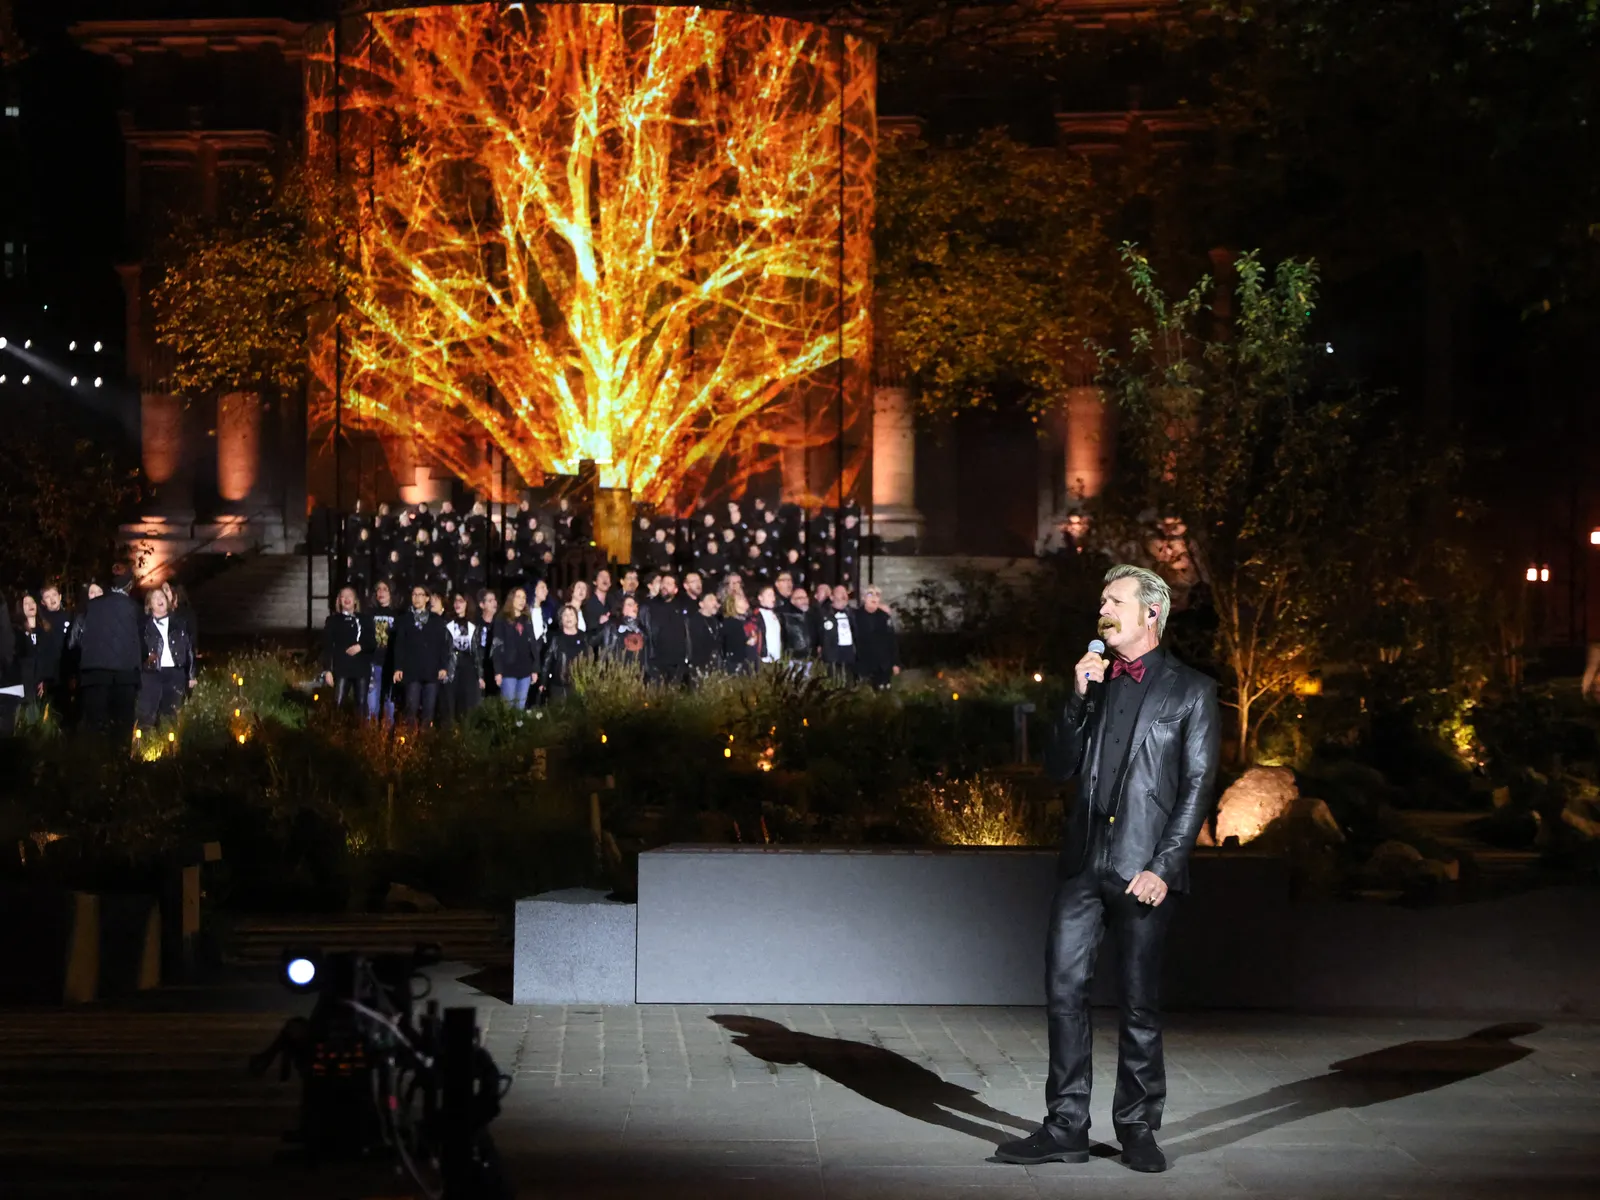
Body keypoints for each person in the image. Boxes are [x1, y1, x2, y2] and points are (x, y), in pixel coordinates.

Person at [995, 565, 1219, 1174]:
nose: (1104, 607)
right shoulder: (1094, 681)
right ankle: (1065, 1124)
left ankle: (1138, 1127)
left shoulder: (1190, 690)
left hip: (1144, 869)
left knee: (1139, 1002)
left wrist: (1166, 866)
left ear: (1150, 614)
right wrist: (1075, 699)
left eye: (1115, 600)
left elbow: (1198, 788)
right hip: (1083, 864)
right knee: (1064, 991)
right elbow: (1058, 769)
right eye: (1102, 599)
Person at [76, 563, 143, 738]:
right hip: (125, 675)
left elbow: (76, 638)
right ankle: (120, 763)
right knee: (121, 728)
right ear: (130, 584)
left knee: (96, 728)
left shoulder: (91, 606)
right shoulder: (134, 608)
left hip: (94, 673)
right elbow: (143, 642)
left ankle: (94, 762)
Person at [391, 584, 452, 726]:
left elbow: (443, 645)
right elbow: (399, 645)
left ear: (427, 598)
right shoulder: (405, 620)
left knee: (428, 711)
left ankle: (426, 742)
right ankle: (411, 744)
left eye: (420, 595)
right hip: (412, 671)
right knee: (410, 710)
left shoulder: (436, 620)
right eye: (414, 594)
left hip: (431, 671)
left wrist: (443, 667)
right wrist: (398, 667)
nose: (416, 598)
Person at [138, 585, 198, 725]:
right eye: (155, 597)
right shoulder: (143, 627)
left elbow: (189, 649)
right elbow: (137, 650)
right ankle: (147, 743)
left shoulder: (180, 623)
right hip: (151, 674)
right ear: (150, 604)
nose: (160, 599)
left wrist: (191, 675)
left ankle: (171, 744)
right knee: (148, 715)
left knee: (172, 715)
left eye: (162, 596)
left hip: (175, 673)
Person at [321, 585, 374, 714]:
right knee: (338, 704)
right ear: (339, 601)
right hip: (342, 669)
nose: (346, 599)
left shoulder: (365, 620)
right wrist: (327, 670)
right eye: (343, 597)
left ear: (355, 600)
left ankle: (360, 732)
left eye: (349, 596)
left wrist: (360, 646)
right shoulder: (333, 621)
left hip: (361, 669)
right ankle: (336, 731)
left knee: (361, 706)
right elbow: (327, 646)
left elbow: (372, 643)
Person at [490, 586, 542, 708]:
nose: (521, 600)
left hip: (525, 670)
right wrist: (498, 671)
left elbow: (533, 645)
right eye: (518, 597)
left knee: (520, 709)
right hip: (508, 670)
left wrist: (535, 669)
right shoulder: (501, 619)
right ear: (511, 599)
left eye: (524, 597)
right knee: (508, 710)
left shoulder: (527, 619)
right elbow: (497, 646)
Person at [440, 592, 484, 726]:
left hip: (468, 668)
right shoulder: (447, 624)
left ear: (467, 604)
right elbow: (444, 649)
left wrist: (480, 675)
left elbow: (476, 652)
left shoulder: (473, 625)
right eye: (456, 601)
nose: (457, 604)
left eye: (461, 601)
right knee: (450, 707)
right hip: (451, 668)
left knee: (467, 706)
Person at [643, 572, 691, 684]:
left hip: (677, 664)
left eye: (669, 583)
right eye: (663, 582)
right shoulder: (649, 607)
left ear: (675, 590)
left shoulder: (681, 608)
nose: (664, 586)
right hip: (656, 662)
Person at [367, 579, 399, 723]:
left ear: (391, 593)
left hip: (391, 665)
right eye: (378, 589)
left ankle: (388, 741)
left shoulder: (398, 615)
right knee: (371, 706)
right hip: (373, 663)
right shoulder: (369, 614)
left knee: (389, 706)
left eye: (385, 589)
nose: (381, 592)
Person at [854, 586, 899, 688]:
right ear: (863, 598)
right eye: (870, 594)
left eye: (877, 595)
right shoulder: (855, 616)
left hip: (883, 666)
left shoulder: (884, 616)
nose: (874, 597)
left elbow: (891, 641)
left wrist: (895, 663)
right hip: (863, 666)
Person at [541, 605, 588, 702]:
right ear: (561, 619)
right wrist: (543, 682)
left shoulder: (584, 637)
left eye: (571, 615)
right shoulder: (556, 638)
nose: (568, 618)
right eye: (565, 615)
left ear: (576, 619)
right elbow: (547, 662)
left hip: (579, 685)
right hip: (559, 686)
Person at [599, 594, 650, 675]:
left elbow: (646, 652)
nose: (634, 607)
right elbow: (605, 648)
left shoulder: (641, 628)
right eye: (629, 604)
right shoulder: (613, 625)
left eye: (635, 605)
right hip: (617, 673)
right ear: (622, 608)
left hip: (638, 674)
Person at [818, 584, 857, 676]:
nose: (844, 595)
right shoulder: (823, 614)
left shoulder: (852, 613)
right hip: (832, 657)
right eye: (840, 593)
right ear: (832, 597)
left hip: (849, 655)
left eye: (845, 593)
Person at [720, 591, 761, 673]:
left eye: (744, 597)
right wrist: (746, 642)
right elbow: (731, 646)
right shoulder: (730, 623)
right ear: (732, 604)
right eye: (740, 598)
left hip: (752, 664)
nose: (744, 599)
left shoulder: (750, 620)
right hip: (738, 668)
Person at [687, 590, 725, 675]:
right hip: (700, 666)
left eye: (715, 600)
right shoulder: (694, 621)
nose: (715, 603)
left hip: (716, 665)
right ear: (701, 604)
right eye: (711, 600)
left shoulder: (716, 621)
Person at [753, 584, 784, 664]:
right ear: (760, 598)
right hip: (765, 659)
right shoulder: (758, 614)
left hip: (776, 658)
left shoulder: (774, 614)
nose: (773, 598)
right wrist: (762, 654)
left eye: (773, 595)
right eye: (769, 595)